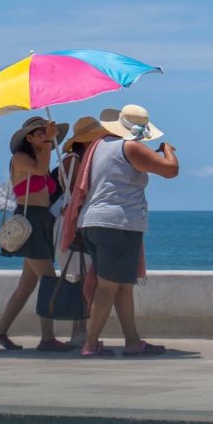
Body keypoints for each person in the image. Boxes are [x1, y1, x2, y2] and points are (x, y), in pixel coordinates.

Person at [76, 104, 179, 357]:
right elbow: (170, 170)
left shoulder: (99, 146)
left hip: (94, 222)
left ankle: (133, 341)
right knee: (108, 287)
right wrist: (168, 151)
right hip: (117, 224)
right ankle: (90, 344)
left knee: (123, 285)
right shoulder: (130, 147)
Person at [0, 116, 76, 352]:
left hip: (43, 220)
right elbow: (37, 169)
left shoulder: (43, 162)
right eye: (40, 134)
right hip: (30, 222)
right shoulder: (20, 158)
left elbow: (48, 193)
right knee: (49, 280)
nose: (46, 137)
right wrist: (49, 141)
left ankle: (0, 331)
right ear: (28, 138)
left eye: (47, 133)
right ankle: (47, 339)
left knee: (27, 285)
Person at [52, 116, 111, 345]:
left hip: (73, 220)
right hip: (74, 222)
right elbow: (79, 194)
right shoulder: (75, 161)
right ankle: (81, 333)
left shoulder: (76, 160)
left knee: (84, 278)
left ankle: (81, 332)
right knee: (83, 277)